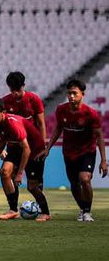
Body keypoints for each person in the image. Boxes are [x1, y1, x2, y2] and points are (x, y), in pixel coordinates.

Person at [44, 79, 108, 221]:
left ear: (82, 94)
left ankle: (87, 212)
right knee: (74, 184)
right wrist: (48, 148)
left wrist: (104, 160)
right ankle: (82, 209)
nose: (71, 96)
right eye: (69, 93)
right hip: (68, 152)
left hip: (87, 151)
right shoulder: (61, 110)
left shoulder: (90, 114)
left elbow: (99, 136)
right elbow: (57, 129)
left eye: (74, 93)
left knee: (84, 179)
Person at [0, 98, 50, 221]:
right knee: (4, 172)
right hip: (16, 148)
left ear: (3, 112)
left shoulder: (13, 124)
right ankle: (13, 210)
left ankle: (46, 212)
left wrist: (20, 173)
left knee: (32, 187)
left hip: (34, 150)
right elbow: (3, 139)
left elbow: (27, 149)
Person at [3, 71, 47, 147]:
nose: (15, 92)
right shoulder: (4, 102)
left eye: (18, 89)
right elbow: (1, 125)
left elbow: (41, 124)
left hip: (32, 143)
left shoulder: (34, 99)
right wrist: (2, 149)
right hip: (13, 144)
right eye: (12, 90)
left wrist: (43, 145)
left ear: (23, 85)